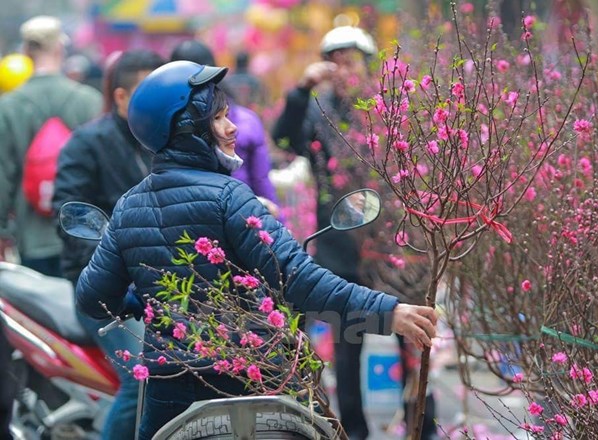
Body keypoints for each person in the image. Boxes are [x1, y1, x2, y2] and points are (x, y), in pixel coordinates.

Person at [74, 60, 438, 439]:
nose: (232, 128)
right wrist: (388, 311)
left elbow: (92, 297)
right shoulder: (230, 198)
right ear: (188, 130)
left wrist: (141, 300)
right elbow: (297, 278)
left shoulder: (128, 207)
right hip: (249, 379)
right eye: (218, 119)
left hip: (171, 388)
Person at [272, 26, 438, 439]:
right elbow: (285, 139)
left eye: (352, 58)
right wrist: (301, 89)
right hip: (339, 248)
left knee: (415, 341)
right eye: (336, 59)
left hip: (397, 248)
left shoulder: (391, 110)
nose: (344, 67)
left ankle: (424, 426)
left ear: (368, 63)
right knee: (348, 351)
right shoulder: (317, 109)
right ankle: (355, 431)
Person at [52, 49, 165, 440]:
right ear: (120, 97)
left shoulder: (162, 140)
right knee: (142, 378)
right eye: (144, 93)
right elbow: (69, 215)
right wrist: (113, 270)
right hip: (103, 289)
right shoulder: (87, 143)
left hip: (160, 286)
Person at [0, 15, 102, 276]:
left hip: (32, 237)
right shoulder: (89, 101)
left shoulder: (7, 107)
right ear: (60, 48)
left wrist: (2, 232)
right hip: (86, 235)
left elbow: (2, 176)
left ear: (25, 51)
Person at [170, 39, 280, 216]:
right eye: (217, 117)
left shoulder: (165, 124)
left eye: (223, 116)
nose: (230, 129)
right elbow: (261, 180)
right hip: (243, 215)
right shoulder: (246, 120)